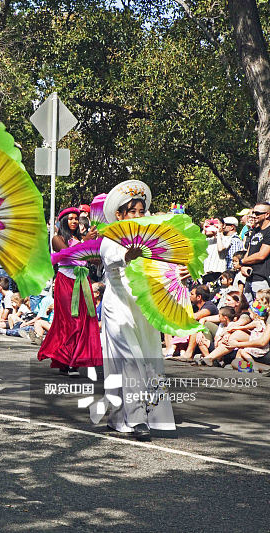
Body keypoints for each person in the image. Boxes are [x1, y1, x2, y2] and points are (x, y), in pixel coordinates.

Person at [91, 180, 176, 442]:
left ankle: (119, 418)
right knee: (129, 361)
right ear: (119, 215)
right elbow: (113, 259)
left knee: (147, 360)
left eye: (141, 211)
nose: (138, 216)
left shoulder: (150, 240)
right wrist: (130, 255)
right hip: (118, 308)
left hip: (143, 307)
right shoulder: (110, 239)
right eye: (133, 212)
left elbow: (162, 267)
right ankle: (138, 419)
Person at [38, 206, 102, 375]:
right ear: (63, 221)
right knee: (68, 321)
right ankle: (65, 359)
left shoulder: (81, 238)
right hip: (65, 282)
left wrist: (96, 249)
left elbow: (91, 258)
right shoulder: (57, 238)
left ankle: (74, 361)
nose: (74, 221)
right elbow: (67, 253)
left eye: (76, 218)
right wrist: (86, 241)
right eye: (71, 218)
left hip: (83, 282)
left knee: (83, 321)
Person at [242, 202, 270, 302]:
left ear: (267, 214)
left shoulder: (269, 231)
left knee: (261, 309)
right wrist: (243, 266)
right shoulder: (255, 231)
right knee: (247, 308)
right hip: (249, 276)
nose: (254, 215)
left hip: (262, 278)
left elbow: (261, 255)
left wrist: (242, 262)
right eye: (253, 212)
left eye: (257, 213)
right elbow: (249, 252)